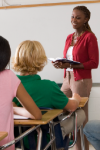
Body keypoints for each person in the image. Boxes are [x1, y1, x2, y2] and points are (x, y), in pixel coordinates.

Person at [12, 40, 85, 150]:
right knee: (80, 113)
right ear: (40, 60)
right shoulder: (49, 86)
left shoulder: (10, 85)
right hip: (47, 140)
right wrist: (75, 98)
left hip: (19, 140)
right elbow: (72, 106)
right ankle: (60, 135)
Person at [51, 6, 99, 150]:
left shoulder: (89, 37)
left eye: (78, 17)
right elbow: (67, 59)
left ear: (86, 20)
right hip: (67, 78)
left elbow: (94, 62)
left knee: (80, 116)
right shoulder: (69, 37)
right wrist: (61, 65)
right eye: (72, 16)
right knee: (62, 110)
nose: (74, 20)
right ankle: (67, 145)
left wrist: (72, 65)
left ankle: (82, 148)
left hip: (81, 80)